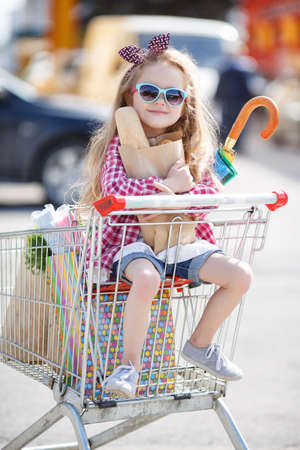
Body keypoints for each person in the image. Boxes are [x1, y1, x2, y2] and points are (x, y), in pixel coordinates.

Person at [79, 33, 253, 398]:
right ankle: (129, 367)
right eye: (149, 92)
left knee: (238, 275)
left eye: (173, 95)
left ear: (185, 103)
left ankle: (200, 345)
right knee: (146, 278)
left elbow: (207, 198)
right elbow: (116, 192)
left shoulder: (191, 149)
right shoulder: (118, 145)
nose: (161, 102)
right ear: (130, 95)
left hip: (179, 241)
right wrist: (169, 189)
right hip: (130, 242)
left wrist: (185, 189)